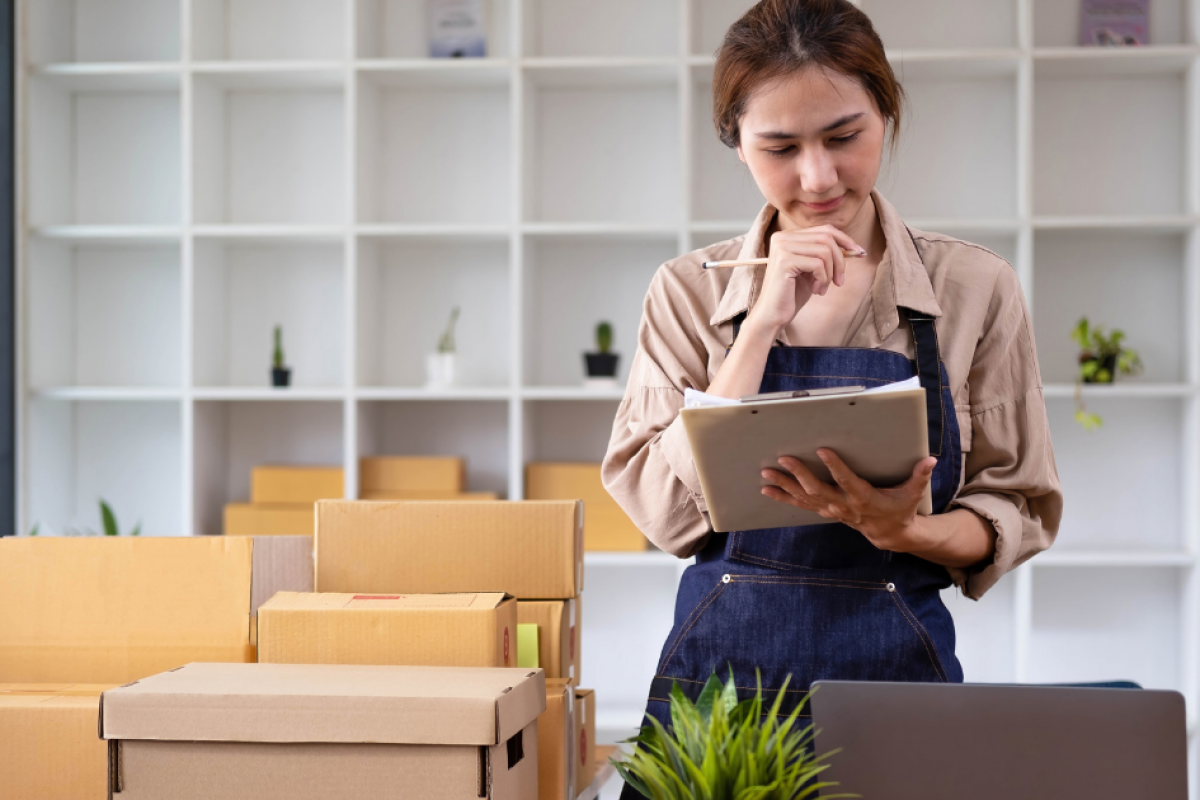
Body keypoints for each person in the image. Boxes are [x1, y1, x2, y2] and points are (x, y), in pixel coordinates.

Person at [601, 1, 1063, 795]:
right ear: (737, 146)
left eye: (845, 137)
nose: (817, 177)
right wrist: (757, 330)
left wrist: (911, 530)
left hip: (897, 687)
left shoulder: (973, 287)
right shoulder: (685, 293)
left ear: (887, 112)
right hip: (721, 696)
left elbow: (1017, 507)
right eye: (780, 147)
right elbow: (664, 511)